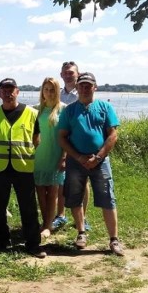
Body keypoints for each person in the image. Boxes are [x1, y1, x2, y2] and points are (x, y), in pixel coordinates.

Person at [57, 72, 124, 256]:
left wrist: (99, 157)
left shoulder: (105, 107)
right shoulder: (69, 110)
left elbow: (113, 135)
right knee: (75, 198)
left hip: (100, 161)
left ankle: (114, 239)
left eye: (89, 86)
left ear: (95, 87)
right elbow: (62, 137)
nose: (85, 89)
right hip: (75, 161)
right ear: (77, 88)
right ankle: (81, 233)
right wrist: (78, 157)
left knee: (107, 198)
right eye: (82, 85)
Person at [0, 78, 45, 258]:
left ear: (17, 91)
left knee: (28, 207)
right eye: (4, 90)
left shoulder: (32, 113)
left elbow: (36, 139)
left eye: (11, 90)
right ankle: (1, 240)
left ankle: (33, 244)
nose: (8, 93)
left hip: (23, 167)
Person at [52, 61, 91, 231]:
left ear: (78, 74)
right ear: (61, 75)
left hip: (78, 145)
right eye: (65, 73)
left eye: (71, 73)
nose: (68, 75)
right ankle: (60, 216)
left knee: (83, 182)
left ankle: (83, 218)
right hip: (61, 142)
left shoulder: (83, 92)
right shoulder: (58, 95)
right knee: (61, 181)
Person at [34, 78, 66, 238]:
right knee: (40, 191)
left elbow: (68, 136)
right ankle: (45, 221)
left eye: (52, 89)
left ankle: (48, 225)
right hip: (38, 156)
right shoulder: (35, 110)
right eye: (46, 89)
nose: (49, 92)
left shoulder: (63, 110)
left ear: (57, 91)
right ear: (42, 92)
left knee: (53, 192)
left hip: (55, 155)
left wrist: (64, 157)